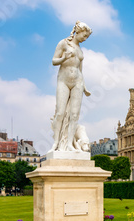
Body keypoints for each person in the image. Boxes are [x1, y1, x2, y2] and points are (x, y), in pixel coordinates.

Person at [49, 21, 92, 152]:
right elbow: (53, 61)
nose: (85, 39)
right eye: (84, 36)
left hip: (77, 81)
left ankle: (68, 144)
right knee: (60, 113)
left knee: (74, 115)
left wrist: (84, 86)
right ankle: (56, 143)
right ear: (78, 32)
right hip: (63, 80)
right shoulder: (63, 43)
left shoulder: (80, 50)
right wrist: (64, 58)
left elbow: (80, 69)